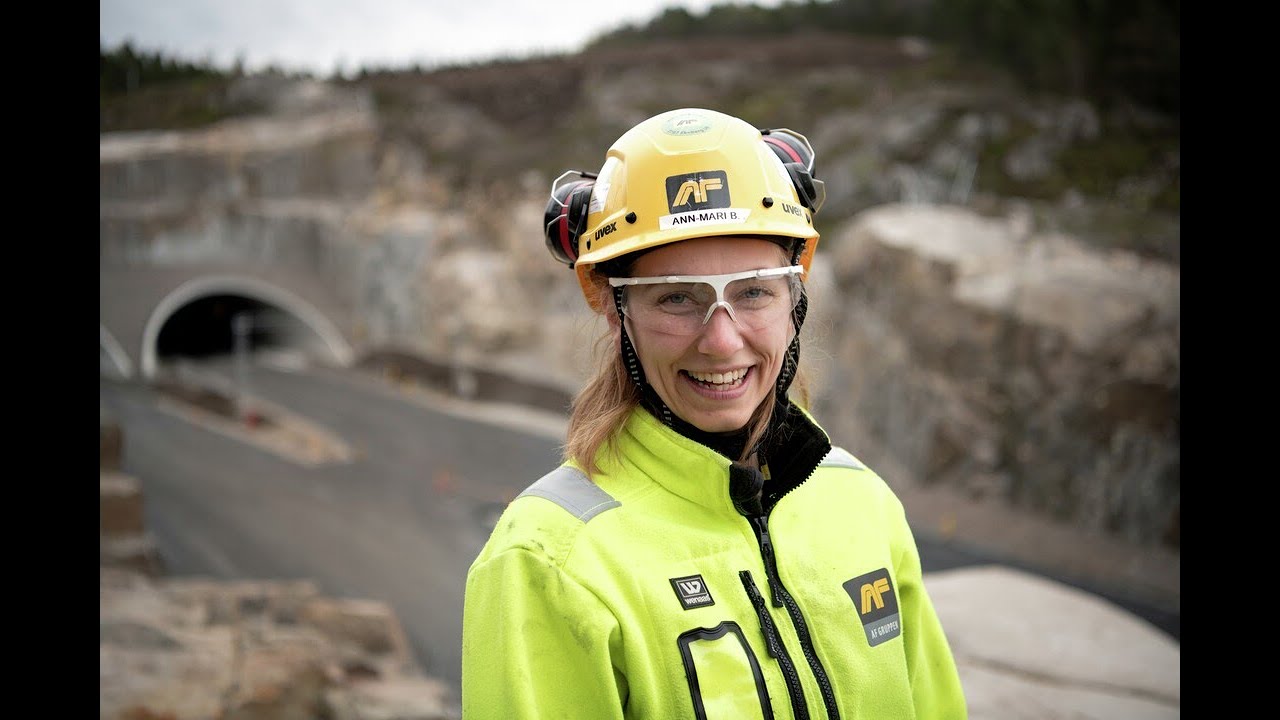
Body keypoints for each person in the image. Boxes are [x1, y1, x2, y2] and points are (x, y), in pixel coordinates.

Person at [461, 107, 968, 719]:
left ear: (793, 298)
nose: (722, 342)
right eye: (676, 297)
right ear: (616, 312)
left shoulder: (863, 503)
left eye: (753, 290)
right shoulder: (549, 562)